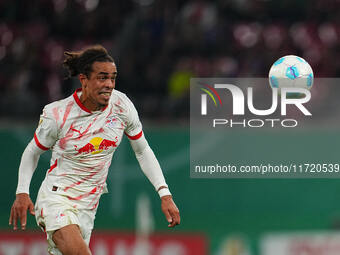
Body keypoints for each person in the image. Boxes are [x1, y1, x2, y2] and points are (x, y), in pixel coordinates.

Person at [9, 45, 180, 255]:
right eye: (102, 77)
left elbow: (143, 150)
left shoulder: (121, 106)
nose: (109, 84)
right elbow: (32, 152)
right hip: (56, 198)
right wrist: (22, 192)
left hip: (88, 206)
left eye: (113, 78)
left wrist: (165, 194)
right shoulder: (59, 114)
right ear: (84, 80)